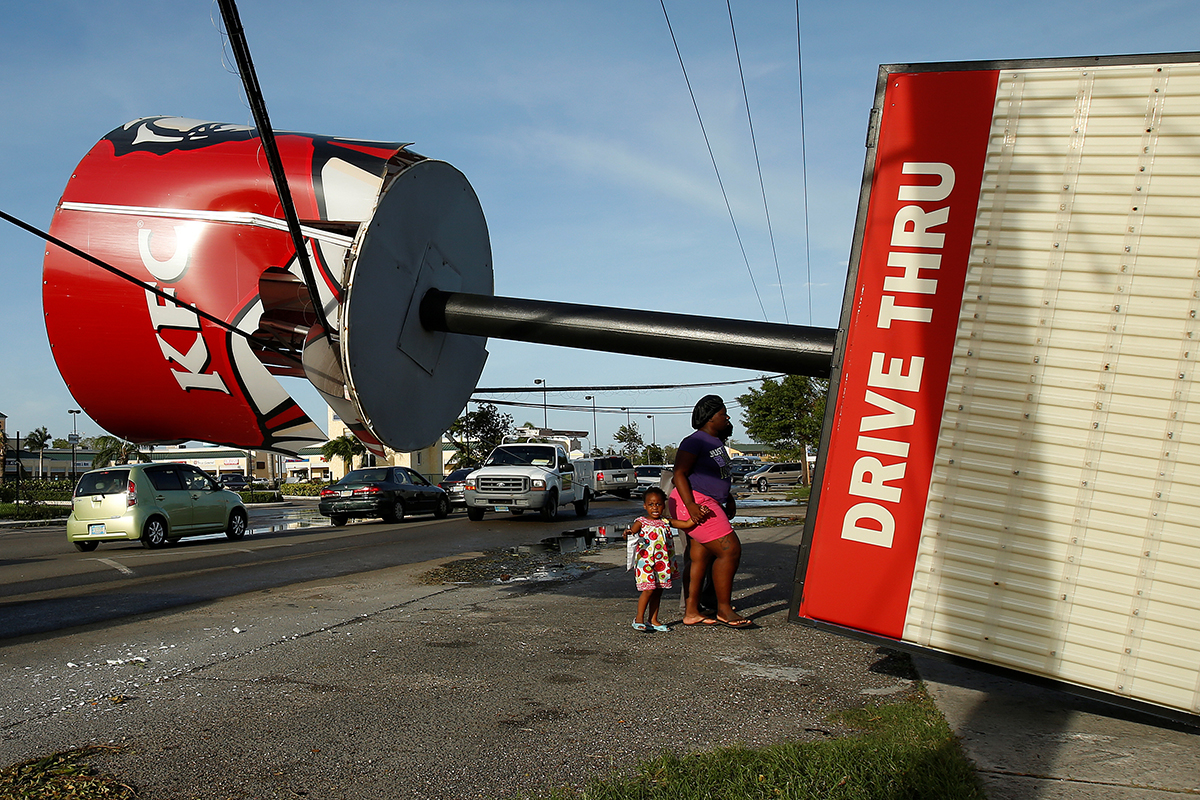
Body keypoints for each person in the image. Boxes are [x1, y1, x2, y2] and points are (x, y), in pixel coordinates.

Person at [670, 395, 753, 628]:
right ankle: (724, 609)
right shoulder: (695, 441)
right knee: (730, 550)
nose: (727, 418)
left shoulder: (716, 443)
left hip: (709, 501)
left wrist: (728, 497)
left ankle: (692, 611)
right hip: (696, 502)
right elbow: (679, 474)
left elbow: (715, 476)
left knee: (700, 558)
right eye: (723, 414)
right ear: (709, 417)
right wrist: (692, 506)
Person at [625, 487, 694, 632]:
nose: (655, 508)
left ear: (664, 505)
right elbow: (632, 532)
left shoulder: (666, 522)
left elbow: (687, 524)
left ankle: (653, 620)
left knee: (658, 590)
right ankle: (639, 618)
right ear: (645, 506)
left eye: (658, 504)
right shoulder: (641, 522)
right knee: (648, 590)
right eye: (651, 504)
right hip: (646, 563)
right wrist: (628, 532)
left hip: (662, 564)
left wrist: (699, 514)